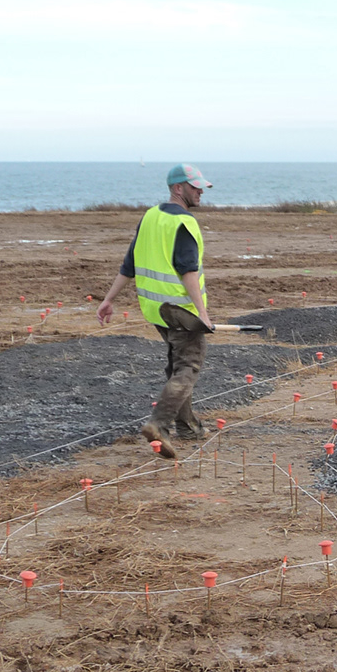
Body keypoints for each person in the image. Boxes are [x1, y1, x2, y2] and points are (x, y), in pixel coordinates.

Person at [97, 164, 215, 459]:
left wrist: (108, 299)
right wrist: (203, 314)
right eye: (195, 186)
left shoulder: (150, 216)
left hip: (155, 310)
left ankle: (188, 427)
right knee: (189, 366)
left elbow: (129, 263)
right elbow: (187, 271)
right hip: (180, 311)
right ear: (178, 188)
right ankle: (158, 426)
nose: (201, 191)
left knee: (177, 364)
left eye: (201, 186)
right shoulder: (183, 224)